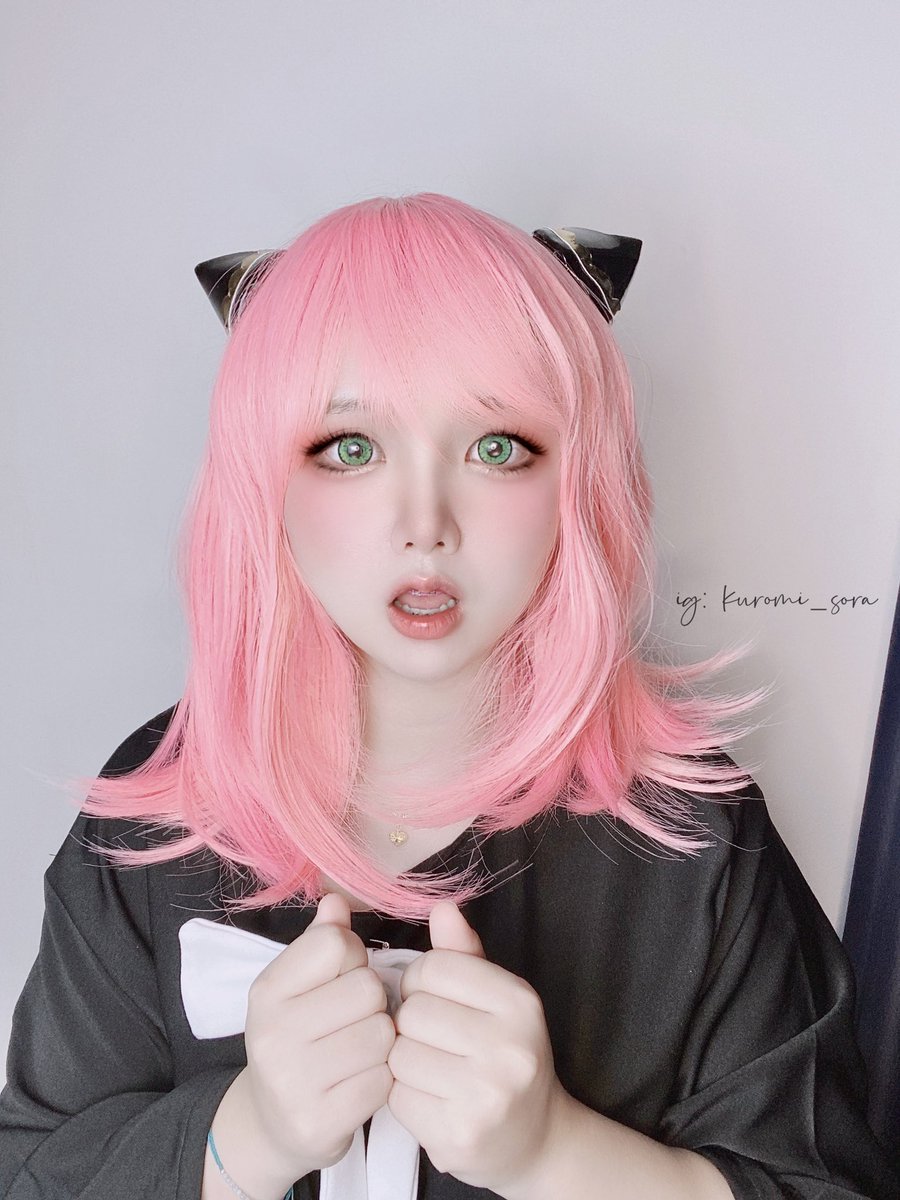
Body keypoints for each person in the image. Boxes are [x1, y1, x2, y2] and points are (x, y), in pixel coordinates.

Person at [1, 193, 896, 1200]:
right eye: (349, 448)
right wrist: (240, 1138)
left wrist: (555, 1153)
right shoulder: (158, 809)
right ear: (265, 485)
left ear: (578, 479)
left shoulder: (694, 835)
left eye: (496, 447)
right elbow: (31, 1169)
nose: (425, 523)